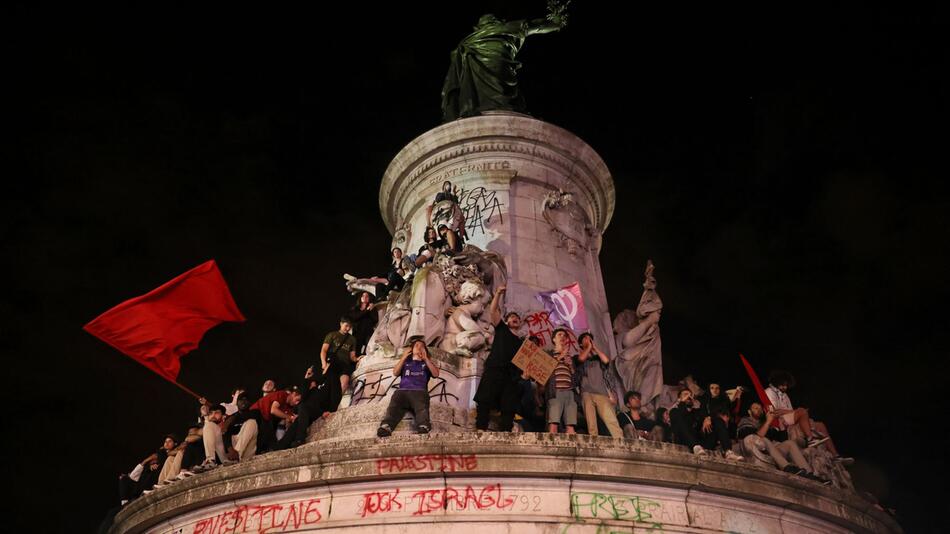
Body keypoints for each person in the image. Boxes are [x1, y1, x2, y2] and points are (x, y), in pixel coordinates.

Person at [441, 4, 569, 122]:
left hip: (490, 77)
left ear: (478, 27)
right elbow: (537, 26)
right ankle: (504, 105)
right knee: (505, 96)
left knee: (502, 95)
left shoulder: (467, 43)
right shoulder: (505, 28)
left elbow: (454, 80)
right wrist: (556, 22)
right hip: (502, 71)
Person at [737, 402, 830, 484]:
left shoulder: (764, 423)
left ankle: (809, 474)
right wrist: (768, 422)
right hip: (755, 448)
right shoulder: (745, 421)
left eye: (760, 408)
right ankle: (786, 467)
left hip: (772, 451)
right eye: (756, 408)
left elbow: (782, 440)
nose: (759, 410)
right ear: (749, 411)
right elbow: (756, 437)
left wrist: (781, 425)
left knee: (789, 443)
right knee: (764, 439)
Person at [472, 285, 523, 431]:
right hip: (494, 369)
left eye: (517, 318)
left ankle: (505, 433)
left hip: (511, 377)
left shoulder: (522, 343)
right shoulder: (502, 329)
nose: (515, 318)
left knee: (509, 407)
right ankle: (480, 429)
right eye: (512, 317)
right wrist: (499, 293)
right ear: (506, 321)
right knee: (484, 400)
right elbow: (493, 311)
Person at [377, 337, 440, 436]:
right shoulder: (406, 362)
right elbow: (395, 372)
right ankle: (386, 426)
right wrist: (403, 357)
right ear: (411, 349)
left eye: (422, 346)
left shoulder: (426, 363)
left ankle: (423, 425)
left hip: (419, 391)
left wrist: (426, 359)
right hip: (402, 391)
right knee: (393, 407)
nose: (419, 347)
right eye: (417, 346)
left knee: (422, 407)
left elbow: (436, 374)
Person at [765, 370, 831, 449]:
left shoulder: (784, 395)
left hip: (787, 417)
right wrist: (796, 411)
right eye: (783, 385)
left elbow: (790, 410)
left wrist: (794, 412)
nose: (785, 387)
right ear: (776, 382)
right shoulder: (769, 392)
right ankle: (810, 439)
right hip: (778, 420)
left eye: (786, 385)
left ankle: (835, 456)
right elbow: (774, 411)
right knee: (802, 411)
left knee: (820, 425)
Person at [577, 332, 622, 437]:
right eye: (585, 339)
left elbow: (606, 360)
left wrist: (594, 348)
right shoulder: (578, 357)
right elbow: (581, 359)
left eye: (590, 338)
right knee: (591, 422)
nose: (588, 340)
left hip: (601, 392)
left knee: (611, 419)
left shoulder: (598, 358)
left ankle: (620, 439)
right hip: (586, 392)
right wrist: (587, 348)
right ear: (580, 344)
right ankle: (594, 441)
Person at [320, 317, 359, 407]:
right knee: (328, 385)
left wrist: (357, 359)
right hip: (333, 363)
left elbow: (352, 356)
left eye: (350, 327)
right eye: (346, 326)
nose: (348, 328)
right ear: (341, 324)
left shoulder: (352, 339)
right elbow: (323, 350)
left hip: (345, 364)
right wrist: (324, 364)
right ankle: (325, 405)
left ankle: (334, 405)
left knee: (345, 382)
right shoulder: (332, 335)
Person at [249, 386, 303, 452]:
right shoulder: (283, 394)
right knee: (266, 436)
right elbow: (274, 410)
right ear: (293, 394)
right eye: (297, 400)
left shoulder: (289, 407)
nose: (296, 403)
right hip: (257, 411)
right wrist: (289, 417)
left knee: (270, 438)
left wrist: (292, 420)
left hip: (265, 418)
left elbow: (288, 422)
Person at [546, 328, 577, 434]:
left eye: (564, 335)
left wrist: (571, 367)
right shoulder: (549, 353)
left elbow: (575, 376)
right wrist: (560, 357)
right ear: (554, 339)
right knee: (553, 424)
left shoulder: (569, 356)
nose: (563, 337)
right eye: (559, 335)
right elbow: (545, 369)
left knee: (571, 426)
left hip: (569, 391)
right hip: (556, 391)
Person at [222, 392, 258, 461]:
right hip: (233, 449)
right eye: (241, 400)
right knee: (217, 429)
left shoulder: (255, 413)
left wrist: (231, 418)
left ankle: (237, 454)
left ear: (250, 403)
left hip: (248, 450)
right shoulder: (231, 418)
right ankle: (211, 460)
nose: (243, 402)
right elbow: (225, 433)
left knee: (251, 422)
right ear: (237, 402)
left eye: (246, 400)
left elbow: (246, 416)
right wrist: (231, 450)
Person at [346, 291, 378, 356]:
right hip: (358, 333)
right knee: (356, 351)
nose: (365, 297)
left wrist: (370, 310)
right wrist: (367, 310)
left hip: (368, 332)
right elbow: (355, 317)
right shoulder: (355, 308)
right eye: (363, 296)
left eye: (367, 296)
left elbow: (375, 320)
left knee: (368, 349)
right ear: (360, 298)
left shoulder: (372, 308)